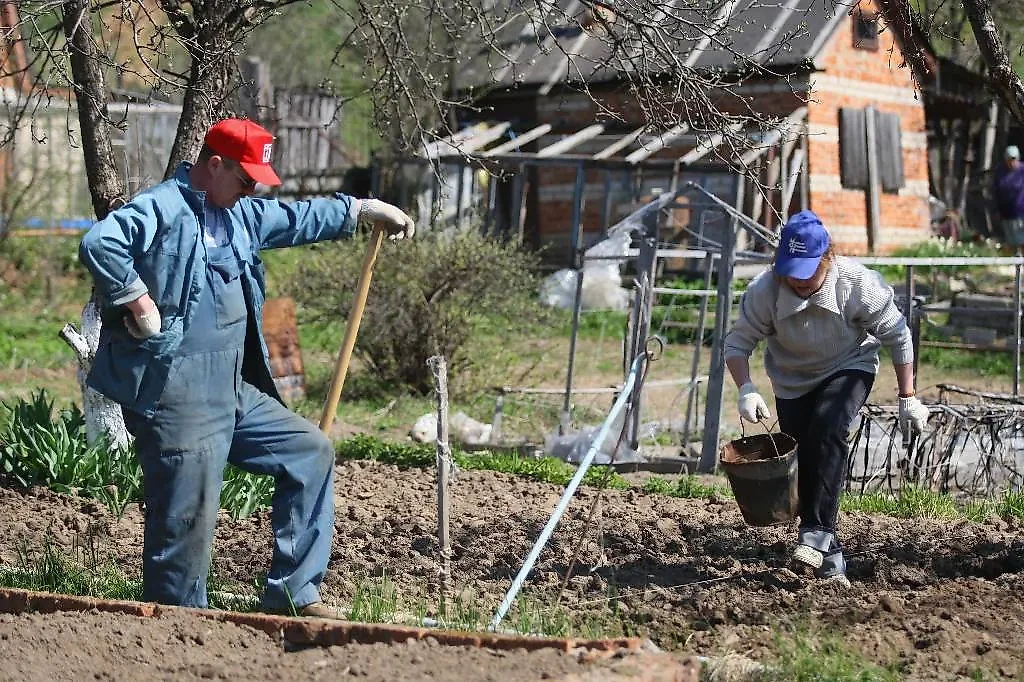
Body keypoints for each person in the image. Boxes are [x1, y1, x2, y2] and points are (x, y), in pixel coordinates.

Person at [79, 118, 415, 617]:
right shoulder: (163, 208)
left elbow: (296, 218)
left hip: (232, 389)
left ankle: (294, 596)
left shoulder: (238, 215)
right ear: (214, 166)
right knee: (186, 522)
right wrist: (138, 301)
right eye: (245, 179)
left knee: (309, 452)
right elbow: (100, 243)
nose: (252, 189)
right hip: (176, 393)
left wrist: (359, 209)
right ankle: (176, 626)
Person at [722, 210, 929, 587]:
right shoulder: (764, 292)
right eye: (790, 270)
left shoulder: (857, 284)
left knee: (829, 427)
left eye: (807, 270)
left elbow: (898, 334)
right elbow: (737, 342)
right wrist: (746, 387)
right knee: (805, 458)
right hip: (792, 380)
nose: (797, 281)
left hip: (848, 365)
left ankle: (816, 531)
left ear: (827, 258)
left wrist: (907, 396)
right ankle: (831, 561)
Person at [994, 145, 1024, 253]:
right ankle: (1016, 268)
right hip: (1007, 214)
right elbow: (997, 191)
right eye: (1009, 159)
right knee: (1012, 243)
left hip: (1021, 213)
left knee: (1022, 241)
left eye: (1014, 159)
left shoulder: (1022, 171)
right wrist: (997, 210)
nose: (1012, 162)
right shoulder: (1000, 171)